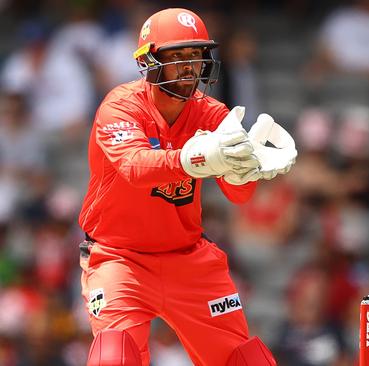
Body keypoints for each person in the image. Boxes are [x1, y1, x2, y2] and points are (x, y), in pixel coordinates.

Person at [77, 8, 293, 366]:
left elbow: (239, 196)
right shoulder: (121, 106)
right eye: (176, 56)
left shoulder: (212, 114)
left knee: (246, 360)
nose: (189, 65)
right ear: (149, 61)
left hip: (188, 258)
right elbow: (134, 166)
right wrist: (193, 157)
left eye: (195, 55)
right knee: (114, 358)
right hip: (120, 259)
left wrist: (247, 172)